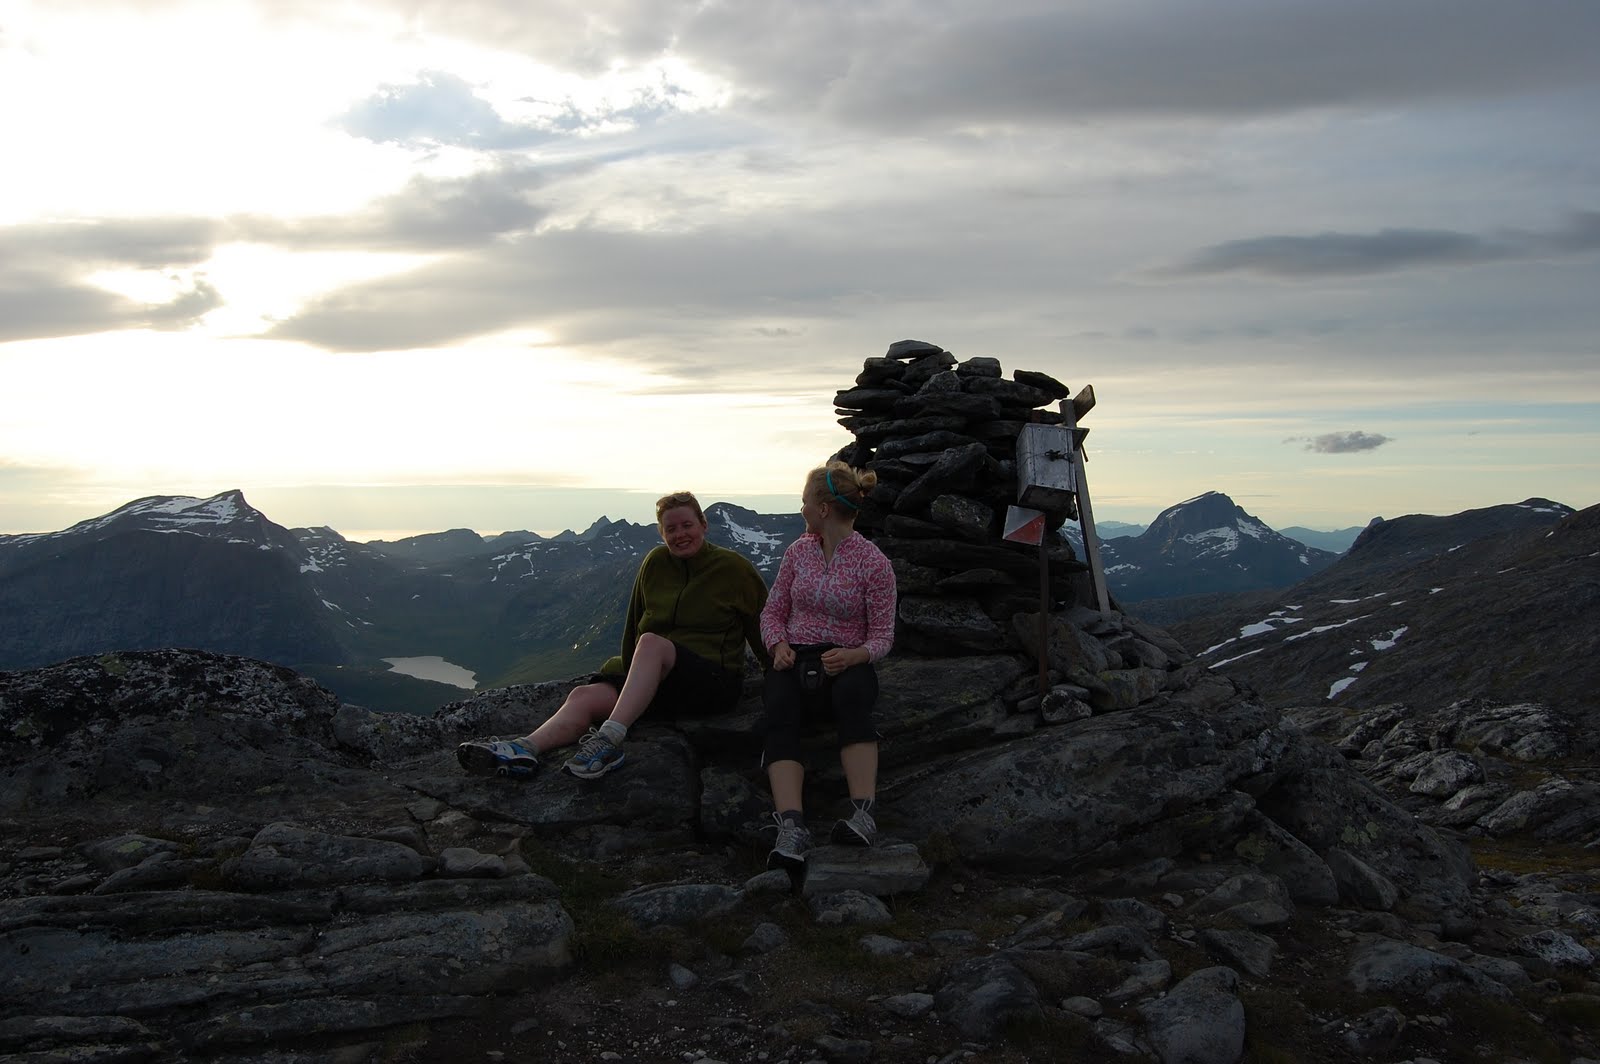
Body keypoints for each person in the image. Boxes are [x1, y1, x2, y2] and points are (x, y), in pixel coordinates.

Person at [457, 491, 768, 780]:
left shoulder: (734, 569)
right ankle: (523, 749)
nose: (680, 534)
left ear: (703, 525)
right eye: (671, 529)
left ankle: (608, 740)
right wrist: (625, 674)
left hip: (714, 684)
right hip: (662, 683)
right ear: (662, 534)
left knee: (652, 643)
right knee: (584, 696)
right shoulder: (655, 564)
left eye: (687, 525)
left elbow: (762, 626)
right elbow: (635, 624)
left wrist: (776, 674)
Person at [760, 461, 896, 871]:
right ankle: (791, 826)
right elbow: (772, 612)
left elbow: (883, 636)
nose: (801, 508)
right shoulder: (798, 552)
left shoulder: (873, 563)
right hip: (795, 657)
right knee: (779, 709)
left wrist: (855, 655)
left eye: (804, 501)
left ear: (822, 508)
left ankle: (863, 815)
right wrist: (778, 645)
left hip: (846, 663)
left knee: (853, 699)